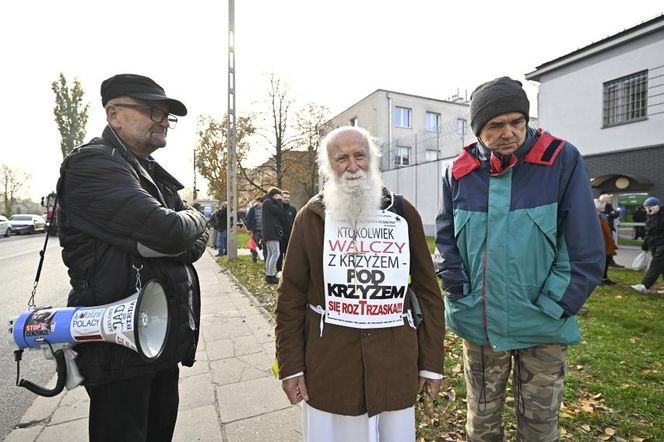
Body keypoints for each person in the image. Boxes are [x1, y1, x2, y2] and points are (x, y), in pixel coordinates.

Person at [435, 76, 604, 442]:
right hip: (478, 323)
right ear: (478, 129)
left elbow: (583, 246)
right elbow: (446, 238)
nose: (509, 132)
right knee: (481, 420)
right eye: (495, 126)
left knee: (540, 424)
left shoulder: (561, 160)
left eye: (517, 122)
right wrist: (457, 291)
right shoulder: (458, 172)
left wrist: (556, 304)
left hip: (541, 321)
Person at [56, 74, 209, 441]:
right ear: (114, 114)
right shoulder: (92, 165)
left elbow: (191, 246)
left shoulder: (151, 173)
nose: (162, 121)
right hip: (118, 349)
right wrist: (197, 217)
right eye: (153, 111)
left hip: (159, 341)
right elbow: (171, 233)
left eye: (166, 115)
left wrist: (176, 233)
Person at [275, 126, 444, 442]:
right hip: (331, 365)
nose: (352, 166)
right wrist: (290, 367)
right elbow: (291, 297)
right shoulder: (310, 217)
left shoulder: (404, 214)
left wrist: (431, 364)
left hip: (394, 362)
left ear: (373, 160)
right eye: (341, 158)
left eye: (359, 156)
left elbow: (428, 291)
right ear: (329, 166)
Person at [630, 196, 664, 295]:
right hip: (654, 244)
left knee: (656, 264)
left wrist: (656, 215)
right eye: (646, 207)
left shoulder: (661, 215)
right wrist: (645, 244)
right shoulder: (650, 216)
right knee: (662, 266)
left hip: (662, 244)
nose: (648, 209)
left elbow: (657, 227)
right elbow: (649, 231)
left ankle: (644, 285)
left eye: (650, 207)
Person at [261, 187, 286, 284]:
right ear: (275, 195)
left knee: (271, 254)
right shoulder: (268, 202)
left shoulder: (267, 202)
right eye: (280, 196)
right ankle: (270, 275)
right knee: (276, 253)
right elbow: (279, 211)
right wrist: (279, 201)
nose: (281, 198)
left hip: (269, 232)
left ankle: (268, 274)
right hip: (272, 232)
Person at [599, 193, 624, 268]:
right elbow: (612, 214)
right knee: (606, 246)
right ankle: (607, 262)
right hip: (603, 229)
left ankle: (610, 261)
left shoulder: (609, 207)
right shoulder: (601, 206)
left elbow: (614, 214)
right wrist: (615, 213)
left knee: (609, 246)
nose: (610, 200)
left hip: (608, 228)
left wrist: (616, 212)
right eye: (609, 199)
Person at [596, 199, 617, 285]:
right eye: (601, 203)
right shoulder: (592, 216)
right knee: (599, 262)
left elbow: (606, 230)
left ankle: (604, 278)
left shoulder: (601, 216)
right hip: (598, 244)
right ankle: (598, 279)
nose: (604, 205)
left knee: (606, 260)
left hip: (606, 243)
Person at [276, 190, 298, 273]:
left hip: (290, 235)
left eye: (288, 198)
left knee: (289, 254)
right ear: (281, 198)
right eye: (284, 197)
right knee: (279, 254)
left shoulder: (292, 209)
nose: (286, 199)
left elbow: (295, 222)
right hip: (280, 236)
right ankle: (279, 270)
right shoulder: (278, 209)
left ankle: (288, 270)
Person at [244, 197, 263, 263]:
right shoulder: (252, 209)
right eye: (259, 201)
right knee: (255, 245)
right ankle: (254, 258)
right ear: (257, 202)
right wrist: (248, 229)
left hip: (264, 230)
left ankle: (266, 258)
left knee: (265, 244)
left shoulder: (265, 209)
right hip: (255, 230)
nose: (260, 203)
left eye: (262, 202)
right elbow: (248, 219)